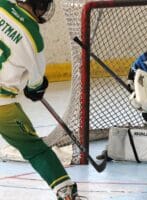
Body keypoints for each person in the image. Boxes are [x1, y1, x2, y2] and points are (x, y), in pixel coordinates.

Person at [0, 0, 86, 199]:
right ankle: (65, 192)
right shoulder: (33, 38)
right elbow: (35, 85)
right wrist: (36, 88)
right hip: (2, 105)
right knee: (34, 149)